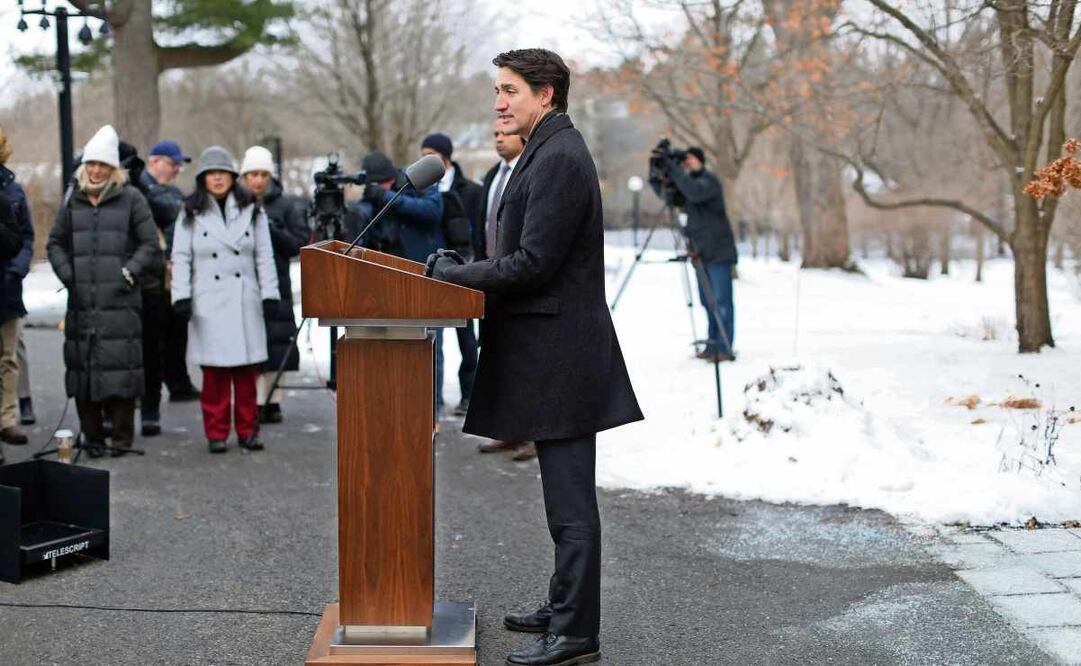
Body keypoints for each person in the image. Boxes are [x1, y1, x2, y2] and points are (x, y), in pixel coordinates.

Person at [426, 49, 642, 666]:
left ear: (545, 94)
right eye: (498, 89)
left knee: (572, 504)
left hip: (564, 355)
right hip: (550, 350)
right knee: (559, 499)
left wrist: (457, 276)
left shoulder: (560, 158)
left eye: (510, 90)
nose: (499, 102)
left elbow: (533, 263)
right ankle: (565, 606)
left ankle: (577, 634)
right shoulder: (545, 150)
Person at [47, 125, 159, 458]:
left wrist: (130, 272)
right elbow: (55, 243)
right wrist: (69, 276)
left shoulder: (132, 198)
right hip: (82, 301)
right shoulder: (73, 201)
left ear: (114, 169)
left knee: (121, 370)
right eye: (91, 164)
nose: (96, 171)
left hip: (120, 300)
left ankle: (122, 440)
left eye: (103, 166)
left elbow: (149, 242)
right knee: (84, 368)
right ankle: (93, 439)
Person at [171, 146, 279, 454]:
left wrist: (270, 293)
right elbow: (180, 256)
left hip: (245, 299)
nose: (217, 179)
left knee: (246, 374)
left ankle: (248, 430)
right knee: (215, 376)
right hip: (208, 300)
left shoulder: (252, 209)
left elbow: (264, 255)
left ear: (232, 177)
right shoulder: (189, 211)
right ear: (203, 178)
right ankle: (216, 432)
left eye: (223, 173)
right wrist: (181, 296)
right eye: (211, 174)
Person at [347, 151, 446, 416]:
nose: (379, 190)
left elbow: (431, 212)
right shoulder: (372, 199)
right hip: (388, 285)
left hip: (426, 278)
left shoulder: (418, 183)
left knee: (430, 346)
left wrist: (388, 198)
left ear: (392, 178)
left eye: (383, 185)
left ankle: (430, 412)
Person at [471, 124, 534, 460]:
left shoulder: (529, 173)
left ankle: (530, 434)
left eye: (503, 134)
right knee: (498, 358)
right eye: (493, 135)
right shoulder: (493, 175)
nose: (497, 138)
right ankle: (507, 429)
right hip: (491, 277)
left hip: (519, 275)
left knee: (524, 360)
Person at [238, 146, 308, 424]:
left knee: (276, 342)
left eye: (263, 174)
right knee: (249, 340)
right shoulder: (235, 203)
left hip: (277, 279)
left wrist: (270, 227)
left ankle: (272, 400)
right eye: (253, 174)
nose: (258, 180)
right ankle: (250, 400)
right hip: (244, 280)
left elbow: (298, 243)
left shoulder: (285, 205)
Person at [420, 133, 482, 419]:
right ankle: (434, 400)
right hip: (433, 271)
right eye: (422, 153)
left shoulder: (469, 190)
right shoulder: (420, 188)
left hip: (463, 267)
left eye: (431, 153)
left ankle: (469, 395)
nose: (425, 159)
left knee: (467, 338)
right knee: (436, 339)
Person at [662, 146, 737, 362]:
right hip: (700, 253)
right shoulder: (687, 185)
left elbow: (694, 191)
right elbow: (672, 197)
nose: (686, 163)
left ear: (700, 160)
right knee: (707, 302)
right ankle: (713, 343)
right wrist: (661, 173)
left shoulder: (708, 181)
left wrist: (676, 170)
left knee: (721, 301)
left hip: (718, 253)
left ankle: (724, 346)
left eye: (690, 159)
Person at [145, 140, 200, 403]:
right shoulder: (146, 190)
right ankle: (169, 384)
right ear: (154, 161)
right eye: (172, 164)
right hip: (153, 273)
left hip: (171, 272)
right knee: (160, 333)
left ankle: (179, 382)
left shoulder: (170, 192)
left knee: (177, 329)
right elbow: (169, 211)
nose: (177, 169)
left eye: (178, 165)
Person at [0, 128, 33, 452]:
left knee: (8, 359)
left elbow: (27, 237)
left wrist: (17, 269)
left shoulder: (13, 190)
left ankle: (7, 420)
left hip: (7, 286)